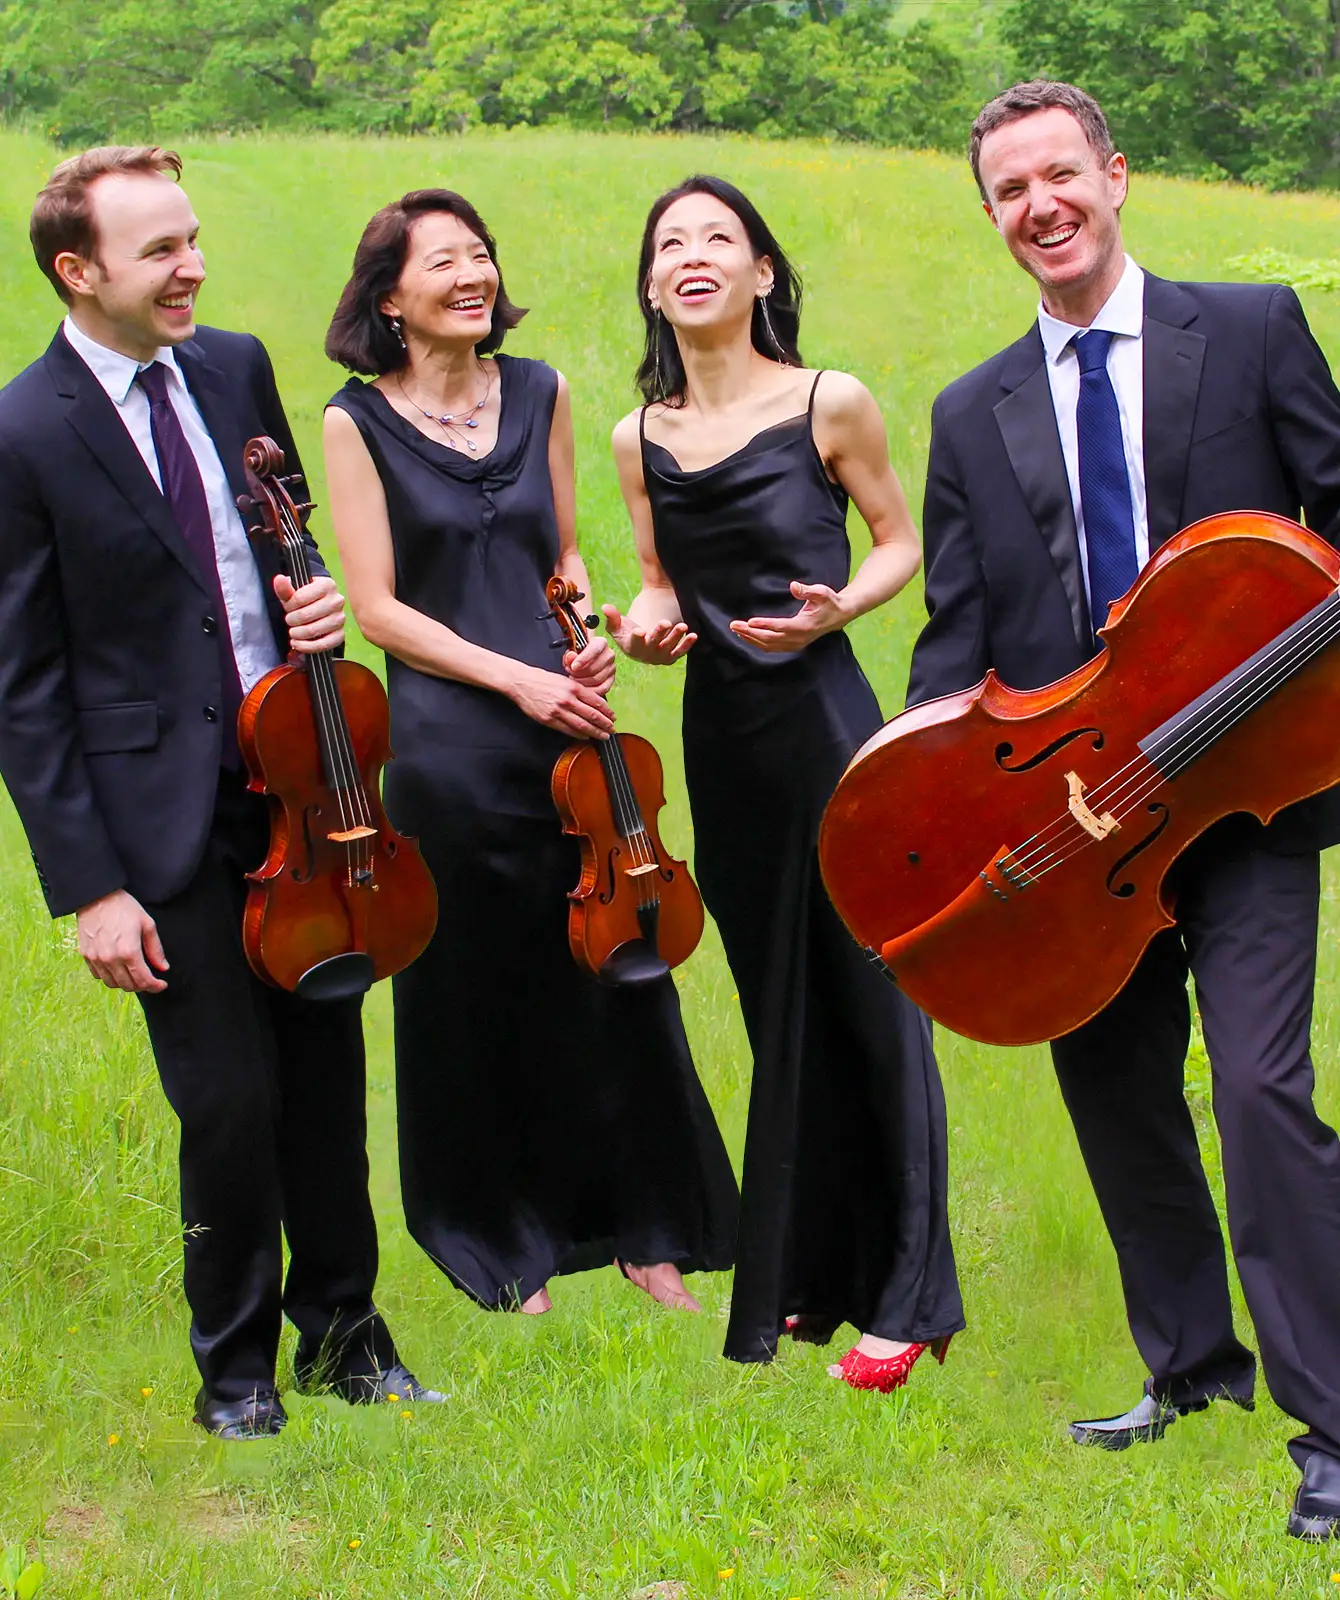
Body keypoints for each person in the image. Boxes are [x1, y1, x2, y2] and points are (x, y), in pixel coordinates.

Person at [907, 79, 1340, 1538]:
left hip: (1247, 798)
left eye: (1059, 175)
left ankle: (1333, 1428)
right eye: (1010, 190)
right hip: (1078, 822)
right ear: (992, 216)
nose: (1041, 206)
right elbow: (955, 639)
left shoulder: (1257, 329)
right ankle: (1190, 1367)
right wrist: (941, 802)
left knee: (1262, 1091)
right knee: (1113, 1092)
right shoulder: (972, 413)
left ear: (1116, 175)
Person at [0, 146, 438, 1440]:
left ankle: (349, 1342)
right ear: (79, 274)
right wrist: (89, 886)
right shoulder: (22, 431)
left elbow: (278, 525)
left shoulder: (233, 364)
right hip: (162, 819)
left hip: (302, 783)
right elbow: (25, 685)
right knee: (229, 1104)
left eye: (193, 240)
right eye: (160, 252)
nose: (193, 267)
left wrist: (306, 599)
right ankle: (236, 1373)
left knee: (325, 1073)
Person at [322, 189, 737, 1319]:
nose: (471, 276)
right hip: (451, 738)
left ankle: (651, 1227)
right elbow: (377, 609)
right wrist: (515, 678)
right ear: (391, 299)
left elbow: (560, 555)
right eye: (442, 262)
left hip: (570, 718)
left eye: (481, 255)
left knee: (618, 969)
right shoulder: (353, 422)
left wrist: (584, 641)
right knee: (476, 988)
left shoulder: (541, 390)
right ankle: (504, 1241)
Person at [607, 175, 964, 1387]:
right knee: (774, 1000)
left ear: (762, 273)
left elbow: (897, 541)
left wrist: (838, 612)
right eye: (671, 244)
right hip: (724, 741)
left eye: (721, 237)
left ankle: (911, 1297)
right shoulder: (637, 438)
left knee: (871, 993)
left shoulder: (829, 400)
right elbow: (659, 576)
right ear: (654, 285)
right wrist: (648, 621)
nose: (693, 255)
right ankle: (819, 1269)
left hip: (824, 724)